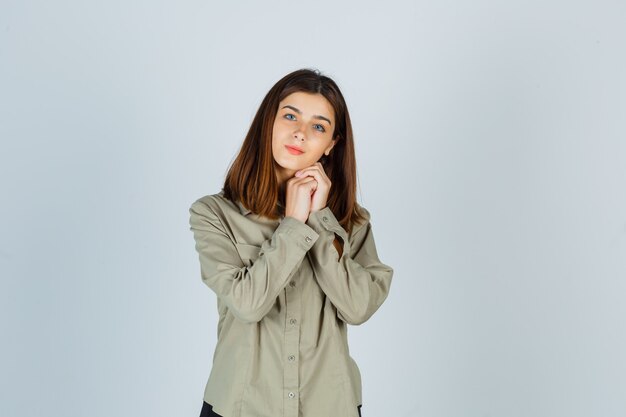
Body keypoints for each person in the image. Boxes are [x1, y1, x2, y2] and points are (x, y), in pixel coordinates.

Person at [188, 68, 394, 417]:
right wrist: (294, 224)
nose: (300, 133)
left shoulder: (351, 222)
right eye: (290, 116)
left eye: (318, 126)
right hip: (240, 407)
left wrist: (318, 219)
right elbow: (248, 303)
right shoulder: (213, 214)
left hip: (329, 407)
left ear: (331, 144)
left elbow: (358, 307)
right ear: (268, 122)